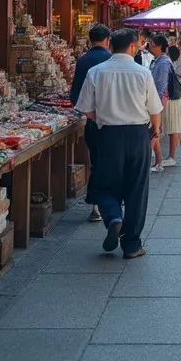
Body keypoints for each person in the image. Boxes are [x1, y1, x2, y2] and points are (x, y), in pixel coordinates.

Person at [75, 27, 163, 259]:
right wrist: (155, 130)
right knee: (137, 189)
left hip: (108, 135)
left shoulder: (96, 71)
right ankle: (132, 244)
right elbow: (154, 109)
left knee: (103, 184)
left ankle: (113, 216)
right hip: (137, 135)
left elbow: (85, 108)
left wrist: (103, 116)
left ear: (111, 46)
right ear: (133, 46)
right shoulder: (142, 73)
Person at [70, 24, 112, 223]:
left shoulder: (83, 60)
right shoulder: (111, 60)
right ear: (107, 40)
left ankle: (96, 205)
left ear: (90, 39)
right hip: (113, 120)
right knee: (111, 163)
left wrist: (89, 113)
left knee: (95, 161)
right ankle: (107, 204)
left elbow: (75, 96)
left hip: (92, 121)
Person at [148, 34, 172, 172]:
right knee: (155, 130)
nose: (151, 47)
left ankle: (151, 161)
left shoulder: (163, 62)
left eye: (153, 45)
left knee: (155, 129)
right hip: (155, 100)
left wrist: (155, 103)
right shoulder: (157, 60)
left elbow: (161, 85)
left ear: (160, 47)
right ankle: (158, 162)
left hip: (158, 100)